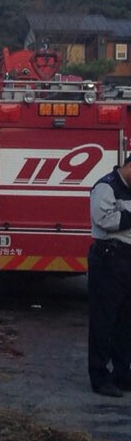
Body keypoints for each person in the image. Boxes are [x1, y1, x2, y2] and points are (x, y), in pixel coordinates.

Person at [87, 157, 131, 397]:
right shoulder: (106, 186)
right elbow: (104, 219)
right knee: (103, 321)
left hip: (127, 259)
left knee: (125, 322)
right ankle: (99, 377)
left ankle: (122, 374)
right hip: (109, 260)